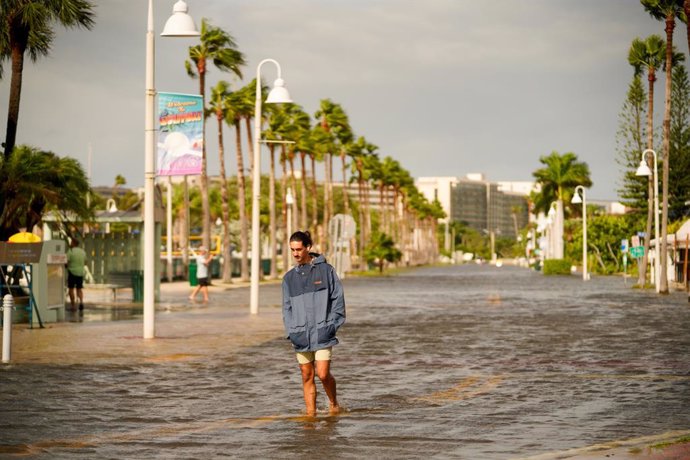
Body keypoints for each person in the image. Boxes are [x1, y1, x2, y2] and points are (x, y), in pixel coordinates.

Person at [282, 231, 346, 416]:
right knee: (306, 375)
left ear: (308, 247)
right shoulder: (288, 278)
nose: (295, 253)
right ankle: (311, 416)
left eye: (299, 249)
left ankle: (333, 404)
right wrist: (291, 331)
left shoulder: (326, 271)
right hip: (300, 334)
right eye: (292, 250)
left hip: (323, 331)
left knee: (323, 374)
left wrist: (332, 326)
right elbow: (287, 308)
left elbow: (338, 300)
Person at [66, 239, 87, 311]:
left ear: (73, 243)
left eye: (71, 242)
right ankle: (81, 302)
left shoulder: (70, 251)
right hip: (80, 273)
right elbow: (85, 262)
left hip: (72, 272)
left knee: (71, 289)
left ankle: (73, 305)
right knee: (79, 289)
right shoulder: (82, 252)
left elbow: (67, 262)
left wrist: (67, 266)